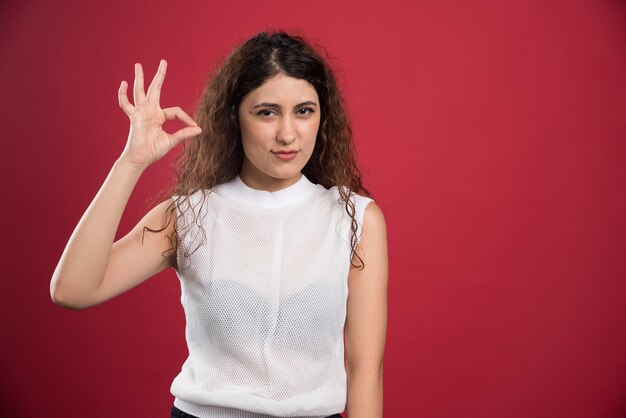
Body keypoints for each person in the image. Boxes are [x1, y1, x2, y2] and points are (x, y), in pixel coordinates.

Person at [50, 30, 388, 418]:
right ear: (234, 116)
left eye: (304, 111)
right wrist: (132, 162)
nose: (287, 133)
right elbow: (72, 290)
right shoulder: (189, 215)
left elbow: (365, 369)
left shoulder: (355, 219)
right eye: (266, 112)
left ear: (321, 118)